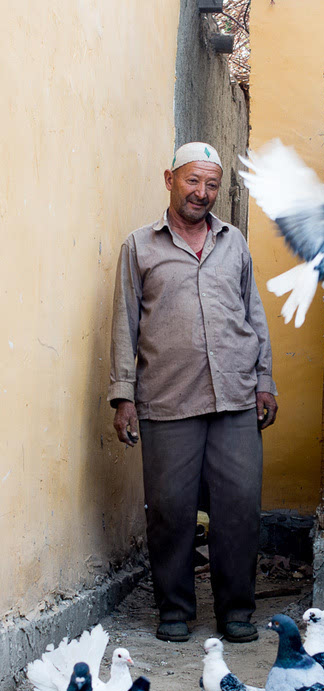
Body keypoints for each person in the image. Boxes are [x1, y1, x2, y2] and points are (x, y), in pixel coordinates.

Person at [108, 142, 278, 644]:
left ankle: (236, 612)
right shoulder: (140, 247)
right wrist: (123, 396)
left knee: (240, 506)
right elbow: (125, 326)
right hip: (166, 398)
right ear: (170, 179)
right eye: (192, 181)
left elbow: (254, 317)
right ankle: (175, 608)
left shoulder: (234, 243)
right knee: (170, 509)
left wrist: (264, 379)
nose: (202, 193)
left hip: (235, 396)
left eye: (211, 185)